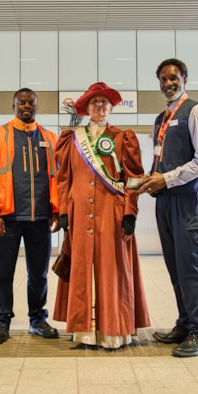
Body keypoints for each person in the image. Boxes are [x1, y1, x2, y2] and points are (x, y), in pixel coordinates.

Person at [53, 82, 150, 350]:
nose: (99, 106)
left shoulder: (123, 137)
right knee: (81, 269)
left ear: (110, 107)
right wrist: (63, 211)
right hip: (79, 212)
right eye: (94, 102)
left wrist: (130, 211)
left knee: (113, 270)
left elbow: (133, 178)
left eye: (104, 102)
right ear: (86, 107)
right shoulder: (72, 139)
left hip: (112, 212)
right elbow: (63, 178)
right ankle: (84, 332)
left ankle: (114, 331)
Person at [138, 58, 198, 357]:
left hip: (189, 203)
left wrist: (166, 179)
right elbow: (161, 157)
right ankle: (185, 323)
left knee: (192, 269)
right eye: (163, 78)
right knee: (176, 268)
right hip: (166, 202)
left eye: (173, 77)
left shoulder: (195, 111)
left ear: (184, 78)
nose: (168, 83)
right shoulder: (161, 119)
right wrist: (149, 179)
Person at [0, 88, 60, 344]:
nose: (27, 106)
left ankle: (37, 319)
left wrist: (57, 211)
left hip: (40, 220)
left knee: (39, 274)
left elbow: (58, 178)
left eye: (31, 103)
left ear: (37, 106)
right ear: (13, 106)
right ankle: (2, 321)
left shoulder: (50, 137)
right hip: (8, 219)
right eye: (22, 103)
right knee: (4, 273)